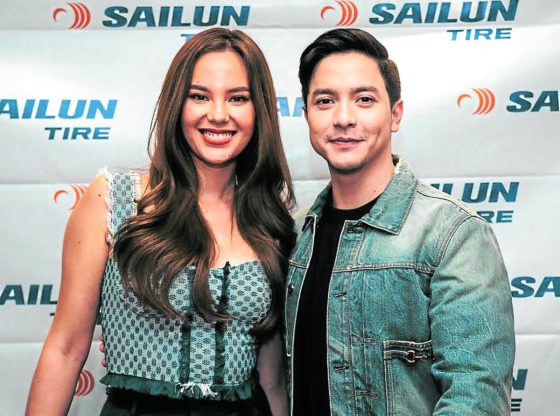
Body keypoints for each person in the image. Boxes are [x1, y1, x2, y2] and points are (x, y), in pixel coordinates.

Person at [26, 28, 295, 416]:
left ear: (259, 112)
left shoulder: (268, 223)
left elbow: (270, 377)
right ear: (176, 104)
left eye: (238, 98)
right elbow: (66, 348)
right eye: (199, 96)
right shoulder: (114, 199)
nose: (218, 114)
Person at [284, 29, 515, 415]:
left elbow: (477, 396)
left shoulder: (452, 233)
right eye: (325, 101)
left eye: (364, 99)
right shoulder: (294, 235)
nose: (344, 118)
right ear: (307, 116)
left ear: (395, 114)